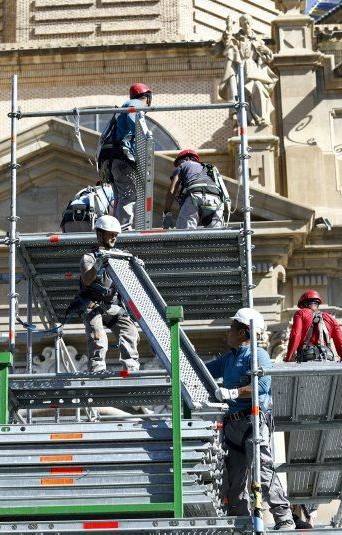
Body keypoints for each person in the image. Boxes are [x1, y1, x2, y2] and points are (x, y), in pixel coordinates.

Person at [205, 308, 295, 530]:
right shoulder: (230, 358)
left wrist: (234, 392)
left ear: (244, 331)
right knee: (234, 481)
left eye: (232, 327)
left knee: (262, 471)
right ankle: (242, 524)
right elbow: (204, 371)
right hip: (232, 425)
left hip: (252, 422)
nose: (229, 331)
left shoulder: (258, 354)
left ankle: (284, 518)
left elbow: (263, 385)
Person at [74, 215, 140, 372]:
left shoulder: (119, 256)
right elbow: (87, 280)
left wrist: (135, 267)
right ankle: (97, 368)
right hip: (92, 306)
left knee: (130, 330)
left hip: (111, 306)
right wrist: (98, 264)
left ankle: (131, 367)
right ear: (100, 234)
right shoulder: (89, 258)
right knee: (98, 337)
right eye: (110, 234)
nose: (114, 238)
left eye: (115, 235)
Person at [96, 83, 153, 230]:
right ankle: (124, 229)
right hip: (121, 158)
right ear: (147, 97)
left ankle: (116, 227)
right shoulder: (134, 104)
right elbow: (137, 125)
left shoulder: (123, 109)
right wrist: (147, 139)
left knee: (120, 197)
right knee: (128, 196)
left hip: (112, 160)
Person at [162, 149, 226, 229]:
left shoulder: (183, 165)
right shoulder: (209, 168)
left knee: (185, 236)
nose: (178, 165)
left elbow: (172, 190)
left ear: (187, 159)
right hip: (215, 201)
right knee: (216, 237)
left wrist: (166, 213)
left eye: (179, 162)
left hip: (195, 197)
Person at [286, 290, 342, 362]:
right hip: (327, 358)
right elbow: (341, 343)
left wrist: (289, 358)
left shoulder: (301, 313)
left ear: (304, 304)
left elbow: (295, 335)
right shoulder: (330, 318)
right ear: (317, 304)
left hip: (307, 357)